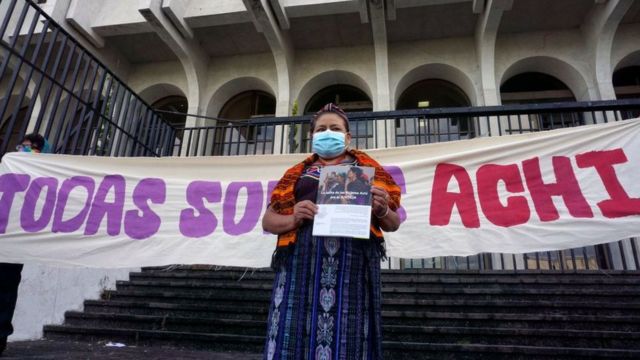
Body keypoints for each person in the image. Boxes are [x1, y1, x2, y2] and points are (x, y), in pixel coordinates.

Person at [262, 103, 401, 360]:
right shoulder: (296, 174)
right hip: (300, 265)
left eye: (335, 128)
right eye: (321, 129)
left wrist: (381, 210)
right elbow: (268, 221)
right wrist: (293, 218)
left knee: (350, 336)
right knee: (291, 330)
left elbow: (393, 223)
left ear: (348, 137)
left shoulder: (370, 172)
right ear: (312, 136)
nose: (328, 132)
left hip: (353, 268)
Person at [0, 133, 50, 356]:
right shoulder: (8, 171)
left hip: (13, 248)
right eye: (24, 146)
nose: (26, 151)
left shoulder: (47, 179)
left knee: (5, 293)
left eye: (33, 148)